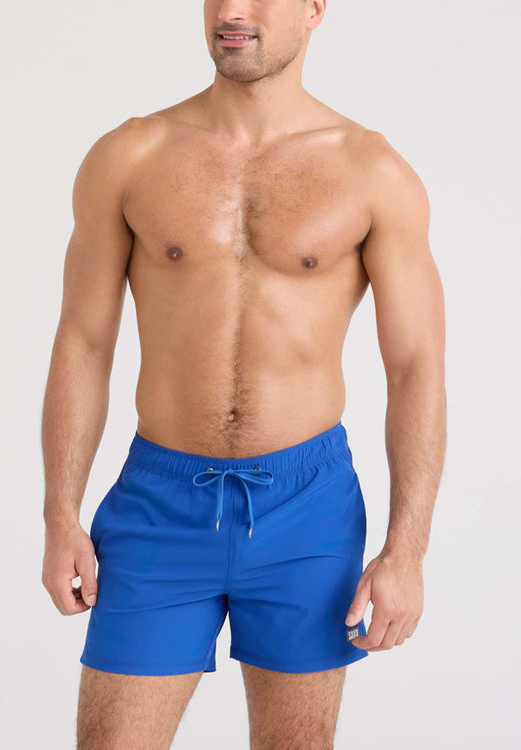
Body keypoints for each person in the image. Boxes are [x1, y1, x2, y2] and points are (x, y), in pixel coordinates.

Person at [41, 1, 447, 747]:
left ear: (314, 9)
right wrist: (59, 514)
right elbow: (84, 341)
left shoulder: (371, 171)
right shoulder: (131, 155)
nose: (232, 11)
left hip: (308, 507)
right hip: (158, 503)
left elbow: (416, 366)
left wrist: (407, 550)